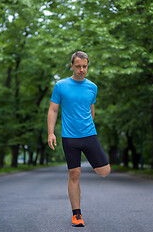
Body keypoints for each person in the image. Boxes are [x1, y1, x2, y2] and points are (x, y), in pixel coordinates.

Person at [47, 51, 111, 227]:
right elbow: (53, 110)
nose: (82, 70)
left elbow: (91, 109)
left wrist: (89, 124)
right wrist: (50, 132)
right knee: (74, 174)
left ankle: (93, 160)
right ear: (72, 66)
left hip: (89, 135)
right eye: (78, 66)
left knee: (104, 171)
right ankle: (77, 215)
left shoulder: (93, 87)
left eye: (85, 66)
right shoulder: (60, 86)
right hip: (69, 137)